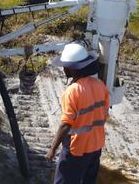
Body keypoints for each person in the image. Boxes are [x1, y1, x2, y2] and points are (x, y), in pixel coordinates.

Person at [45, 43, 110, 184]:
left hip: (77, 149)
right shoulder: (100, 86)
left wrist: (52, 149)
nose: (63, 69)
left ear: (70, 69)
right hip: (96, 146)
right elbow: (104, 115)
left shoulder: (72, 91)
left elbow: (65, 125)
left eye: (65, 66)